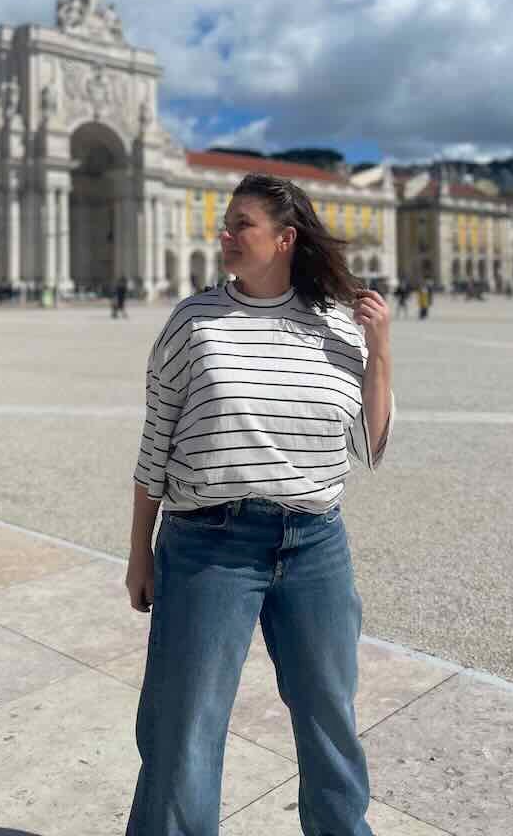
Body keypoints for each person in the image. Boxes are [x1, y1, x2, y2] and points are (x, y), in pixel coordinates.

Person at [125, 173, 394, 836]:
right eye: (225, 223)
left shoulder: (339, 325)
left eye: (240, 224)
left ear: (284, 238)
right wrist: (139, 553)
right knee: (184, 728)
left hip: (315, 546)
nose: (224, 235)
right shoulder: (194, 322)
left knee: (331, 719)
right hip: (209, 544)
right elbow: (154, 440)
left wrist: (380, 349)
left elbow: (372, 445)